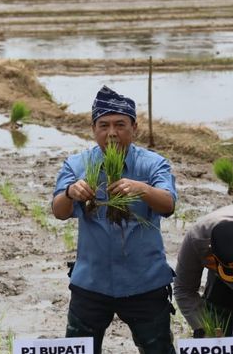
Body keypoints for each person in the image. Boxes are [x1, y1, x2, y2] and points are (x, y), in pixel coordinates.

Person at [51, 86, 178, 354]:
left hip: (145, 282)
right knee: (79, 349)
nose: (112, 133)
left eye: (120, 125)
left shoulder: (153, 164)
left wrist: (142, 188)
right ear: (93, 128)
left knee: (158, 348)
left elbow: (168, 205)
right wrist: (71, 192)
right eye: (104, 125)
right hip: (91, 283)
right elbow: (59, 211)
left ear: (134, 127)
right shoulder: (77, 165)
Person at [174, 204, 233, 338]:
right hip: (222, 278)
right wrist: (204, 327)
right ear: (212, 252)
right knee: (217, 324)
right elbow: (183, 289)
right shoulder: (196, 239)